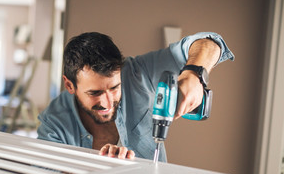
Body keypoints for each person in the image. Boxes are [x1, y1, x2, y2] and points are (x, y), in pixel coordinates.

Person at [37, 32, 234, 162]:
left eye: (114, 88)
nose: (107, 102)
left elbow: (211, 42)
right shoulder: (54, 120)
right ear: (70, 85)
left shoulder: (137, 73)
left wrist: (194, 73)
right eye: (95, 93)